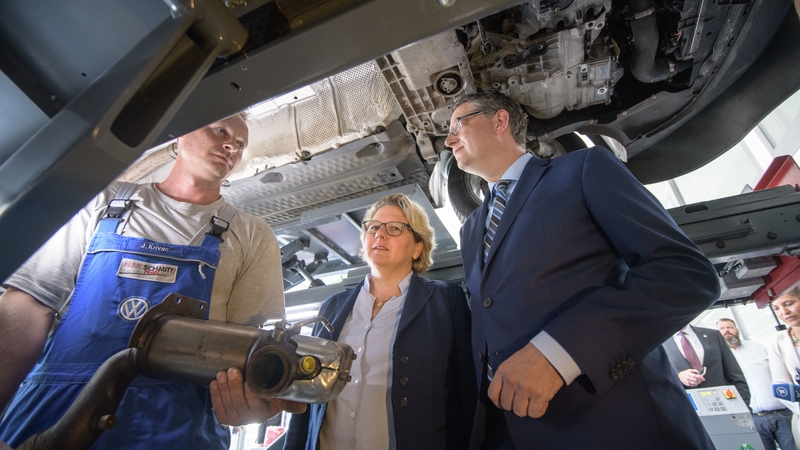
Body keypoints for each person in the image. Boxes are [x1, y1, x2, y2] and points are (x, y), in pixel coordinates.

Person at [0, 114, 304, 449]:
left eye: (241, 143)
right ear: (182, 133)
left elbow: (250, 347)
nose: (232, 145)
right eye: (220, 131)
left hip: (177, 423)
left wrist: (250, 400)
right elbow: (28, 307)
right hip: (57, 408)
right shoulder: (102, 203)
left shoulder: (252, 235)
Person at [444, 90, 721, 449]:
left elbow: (684, 273)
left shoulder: (582, 169)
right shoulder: (470, 228)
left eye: (457, 124)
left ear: (500, 120)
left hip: (613, 425)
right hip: (513, 431)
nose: (449, 140)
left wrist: (559, 351)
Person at [283, 193, 477, 450]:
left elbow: (467, 394)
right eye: (373, 227)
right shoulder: (332, 307)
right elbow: (305, 393)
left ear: (418, 246)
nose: (380, 235)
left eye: (394, 228)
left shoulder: (445, 300)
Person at [716, 318, 796, 450]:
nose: (727, 331)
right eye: (722, 329)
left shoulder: (759, 348)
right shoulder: (719, 358)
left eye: (730, 327)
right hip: (750, 420)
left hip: (782, 414)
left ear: (737, 330)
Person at [662, 324, 751, 405]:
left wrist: (744, 405)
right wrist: (678, 377)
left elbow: (735, 375)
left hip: (726, 404)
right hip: (687, 409)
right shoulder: (659, 343)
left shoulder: (713, 335)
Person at [769, 286, 800, 447]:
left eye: (788, 303)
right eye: (777, 308)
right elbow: (781, 386)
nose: (784, 312)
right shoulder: (778, 342)